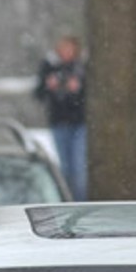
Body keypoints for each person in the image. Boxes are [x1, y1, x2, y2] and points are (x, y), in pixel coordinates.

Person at [34, 34, 88, 201]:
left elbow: (91, 95)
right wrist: (49, 85)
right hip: (59, 123)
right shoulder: (49, 67)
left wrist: (78, 89)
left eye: (70, 49)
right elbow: (38, 93)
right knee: (64, 168)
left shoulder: (81, 67)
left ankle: (80, 202)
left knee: (79, 168)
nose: (66, 52)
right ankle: (67, 200)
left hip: (79, 123)